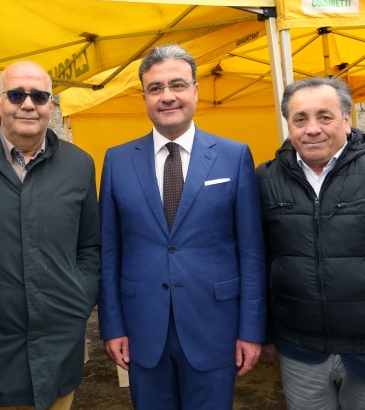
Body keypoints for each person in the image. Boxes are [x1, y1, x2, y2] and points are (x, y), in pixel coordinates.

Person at [98, 44, 267, 410]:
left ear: (195, 90)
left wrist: (251, 330)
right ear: (144, 97)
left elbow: (251, 251)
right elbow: (109, 252)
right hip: (142, 326)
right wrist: (112, 326)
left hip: (215, 325)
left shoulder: (234, 156)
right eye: (155, 88)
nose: (167, 96)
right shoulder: (117, 160)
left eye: (177, 84)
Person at [256, 76, 365, 409]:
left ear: (346, 119)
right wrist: (263, 334)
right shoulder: (265, 179)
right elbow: (261, 263)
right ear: (288, 125)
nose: (312, 128)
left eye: (324, 116)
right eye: (300, 119)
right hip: (300, 353)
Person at [0, 61, 100, 410]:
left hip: (58, 353)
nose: (28, 104)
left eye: (39, 96)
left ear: (51, 106)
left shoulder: (79, 164)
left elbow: (90, 247)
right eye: (16, 95)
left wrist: (78, 301)